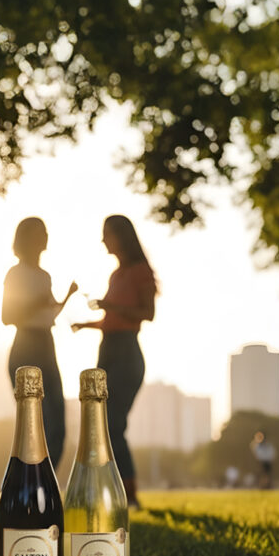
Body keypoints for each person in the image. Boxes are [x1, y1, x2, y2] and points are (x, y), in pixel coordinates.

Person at [72, 214, 157, 509]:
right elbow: (113, 320)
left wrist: (111, 306)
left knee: (113, 423)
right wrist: (87, 324)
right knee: (102, 425)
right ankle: (110, 493)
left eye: (107, 234)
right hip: (106, 352)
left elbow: (146, 313)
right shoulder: (116, 275)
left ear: (122, 237)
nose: (103, 240)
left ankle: (130, 494)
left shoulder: (139, 271)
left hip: (125, 354)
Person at [2, 216, 76, 465]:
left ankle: (46, 477)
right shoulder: (16, 273)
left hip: (46, 343)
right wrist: (38, 303)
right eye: (39, 233)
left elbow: (49, 313)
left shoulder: (44, 276)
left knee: (56, 420)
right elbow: (7, 316)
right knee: (34, 421)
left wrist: (67, 297)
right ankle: (32, 479)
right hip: (27, 345)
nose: (45, 237)